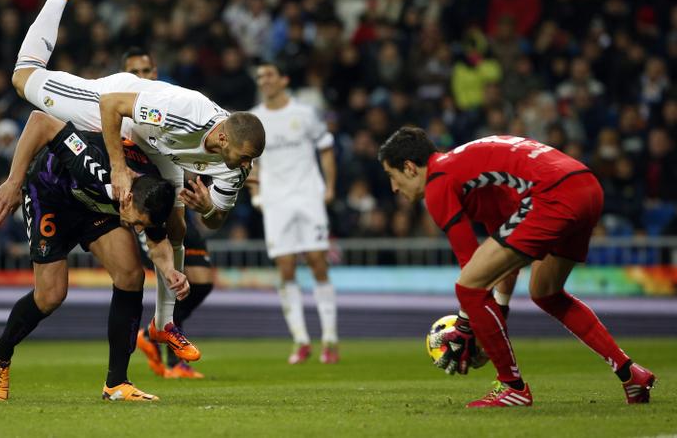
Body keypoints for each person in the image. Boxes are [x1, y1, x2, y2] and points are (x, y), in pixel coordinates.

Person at [10, 0, 265, 361]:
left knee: (177, 225)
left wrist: (206, 208)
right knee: (23, 79)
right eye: (242, 158)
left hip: (157, 144)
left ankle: (165, 325)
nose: (245, 167)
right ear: (222, 140)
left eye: (248, 161)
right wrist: (119, 169)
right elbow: (113, 107)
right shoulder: (186, 111)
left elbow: (217, 220)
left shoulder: (234, 162)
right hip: (119, 106)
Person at [378, 127, 656, 407]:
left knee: (468, 287)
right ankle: (630, 374)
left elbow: (472, 272)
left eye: (392, 176)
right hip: (586, 186)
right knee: (546, 293)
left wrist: (465, 326)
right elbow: (502, 261)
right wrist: (498, 310)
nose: (394, 187)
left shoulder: (439, 183)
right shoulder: (464, 170)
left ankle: (513, 387)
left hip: (553, 193)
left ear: (410, 167)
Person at [0, 110, 189, 402]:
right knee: (51, 295)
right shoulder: (94, 166)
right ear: (127, 197)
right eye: (137, 220)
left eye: (141, 224)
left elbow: (157, 240)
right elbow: (40, 121)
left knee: (131, 276)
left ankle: (117, 384)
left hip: (93, 207)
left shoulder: (151, 192)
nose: (138, 228)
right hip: (50, 195)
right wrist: (14, 181)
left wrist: (170, 272)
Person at [122, 49, 215, 379]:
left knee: (202, 280)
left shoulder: (169, 103)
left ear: (155, 71)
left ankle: (154, 333)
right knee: (172, 273)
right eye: (135, 71)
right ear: (124, 74)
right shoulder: (121, 111)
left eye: (147, 70)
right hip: (147, 203)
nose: (142, 76)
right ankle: (172, 355)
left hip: (177, 198)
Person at [250, 61, 339, 364]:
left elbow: (326, 147)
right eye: (260, 77)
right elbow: (250, 162)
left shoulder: (304, 114)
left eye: (269, 75)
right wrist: (256, 194)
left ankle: (329, 338)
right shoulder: (255, 119)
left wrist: (329, 188)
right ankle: (301, 340)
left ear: (284, 79)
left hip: (307, 196)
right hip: (275, 201)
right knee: (286, 267)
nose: (264, 80)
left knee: (317, 262)